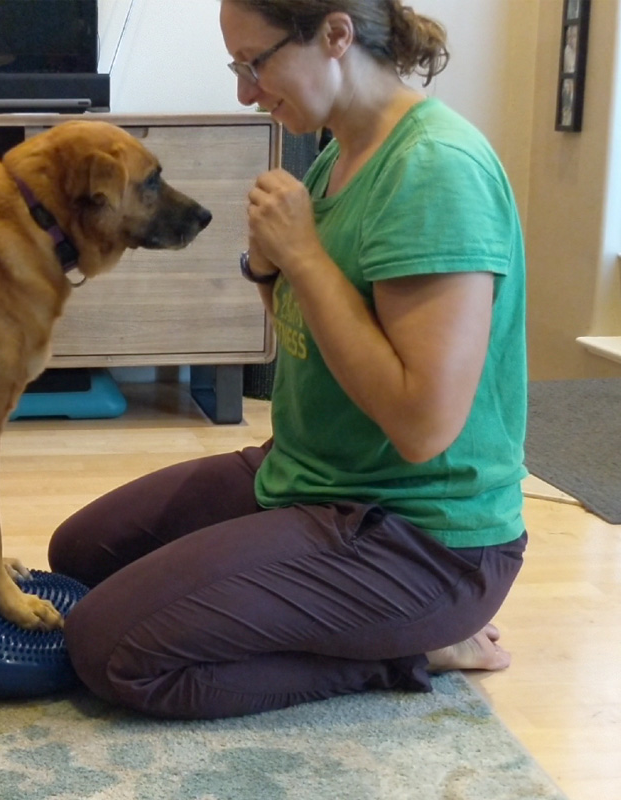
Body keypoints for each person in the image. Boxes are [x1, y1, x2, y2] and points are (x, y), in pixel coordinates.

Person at [47, 0, 528, 719]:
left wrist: (302, 256)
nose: (245, 91)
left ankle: (409, 650)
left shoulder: (434, 172)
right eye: (235, 66)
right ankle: (354, 619)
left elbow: (423, 426)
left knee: (111, 651)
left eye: (256, 62)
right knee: (81, 555)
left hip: (423, 541)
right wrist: (274, 275)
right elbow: (314, 340)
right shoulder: (339, 152)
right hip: (310, 477)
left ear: (336, 34)